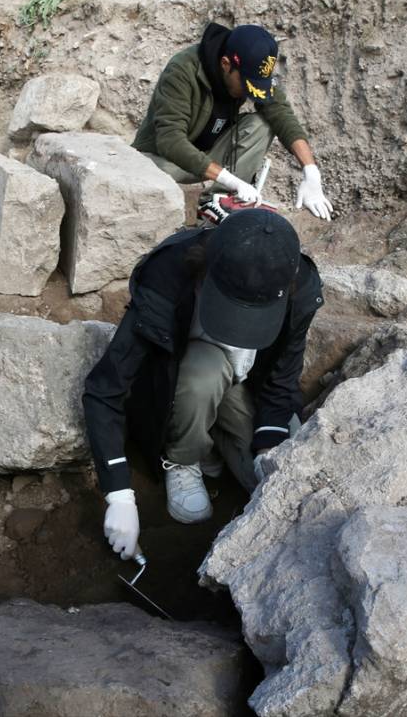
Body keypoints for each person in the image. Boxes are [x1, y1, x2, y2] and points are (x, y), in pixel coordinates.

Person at [82, 208, 324, 559]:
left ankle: (218, 441)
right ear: (208, 271)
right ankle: (184, 456)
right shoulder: (169, 276)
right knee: (204, 372)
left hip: (244, 386)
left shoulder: (297, 285)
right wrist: (119, 495)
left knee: (276, 488)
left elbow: (281, 379)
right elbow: (106, 388)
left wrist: (267, 451)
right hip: (185, 381)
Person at [132, 22, 334, 221]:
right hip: (163, 160)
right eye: (246, 85)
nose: (249, 92)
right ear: (226, 64)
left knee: (262, 125)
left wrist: (310, 170)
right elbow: (170, 141)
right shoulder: (182, 70)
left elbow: (281, 113)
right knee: (150, 171)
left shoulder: (248, 66)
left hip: (209, 153)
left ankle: (217, 205)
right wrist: (232, 181)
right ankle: (223, 195)